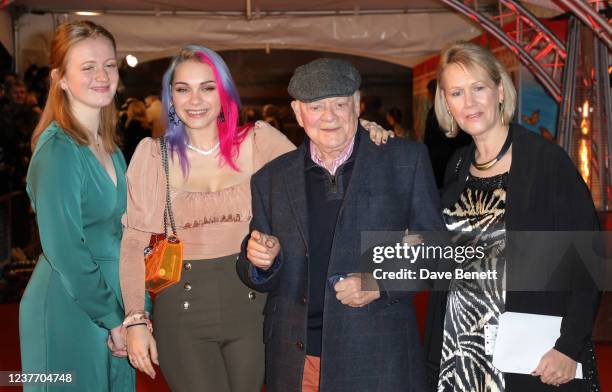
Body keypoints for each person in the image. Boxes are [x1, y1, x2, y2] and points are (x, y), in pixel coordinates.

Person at [119, 47, 391, 392]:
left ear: (225, 92)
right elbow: (133, 242)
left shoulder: (259, 140)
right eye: (183, 89)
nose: (195, 99)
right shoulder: (151, 155)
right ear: (170, 95)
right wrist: (134, 320)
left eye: (208, 87)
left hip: (255, 307)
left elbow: (319, 170)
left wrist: (358, 132)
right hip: (181, 310)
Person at [236, 58, 445, 391]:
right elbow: (256, 272)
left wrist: (379, 282)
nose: (329, 116)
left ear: (357, 105)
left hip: (379, 354)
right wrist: (261, 261)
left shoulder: (405, 161)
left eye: (339, 104)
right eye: (316, 107)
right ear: (297, 111)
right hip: (298, 358)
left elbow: (435, 249)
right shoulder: (270, 180)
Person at [424, 41, 601, 392]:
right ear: (446, 104)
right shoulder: (458, 164)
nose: (469, 102)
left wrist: (569, 346)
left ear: (500, 91)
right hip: (460, 349)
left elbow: (589, 261)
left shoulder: (545, 162)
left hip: (530, 355)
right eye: (456, 93)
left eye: (478, 88)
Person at [19, 21, 135, 391]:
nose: (102, 76)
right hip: (69, 305)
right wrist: (114, 318)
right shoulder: (58, 151)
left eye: (110, 65)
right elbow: (67, 251)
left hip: (110, 302)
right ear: (61, 78)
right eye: (87, 67)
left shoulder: (110, 147)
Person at [122, 99, 151, 163]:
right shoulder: (146, 125)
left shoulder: (132, 123)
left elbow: (127, 142)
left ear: (131, 110)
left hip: (131, 156)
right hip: (143, 156)